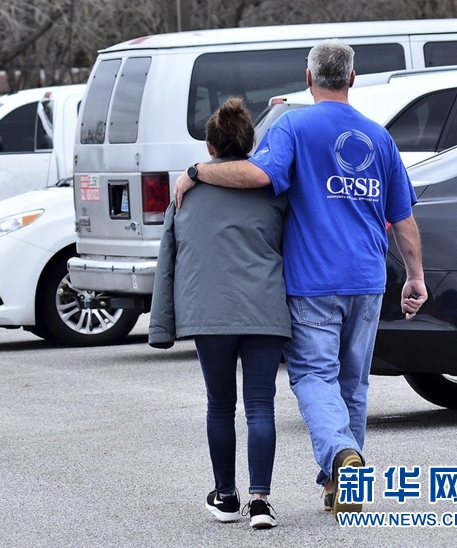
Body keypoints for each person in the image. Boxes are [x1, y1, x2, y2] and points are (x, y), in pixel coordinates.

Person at [172, 39, 427, 521]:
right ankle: (340, 484)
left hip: (314, 281)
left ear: (309, 78)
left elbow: (257, 176)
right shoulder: (379, 137)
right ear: (352, 78)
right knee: (353, 384)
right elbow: (403, 217)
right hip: (368, 280)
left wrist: (197, 171)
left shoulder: (293, 125)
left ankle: (340, 456)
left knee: (313, 376)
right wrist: (415, 276)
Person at [149, 97, 290, 529]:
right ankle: (260, 502)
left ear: (210, 147)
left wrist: (161, 326)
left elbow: (167, 262)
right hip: (264, 308)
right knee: (261, 405)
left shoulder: (184, 195)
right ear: (249, 145)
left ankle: (226, 496)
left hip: (207, 313)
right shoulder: (273, 190)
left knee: (220, 404)